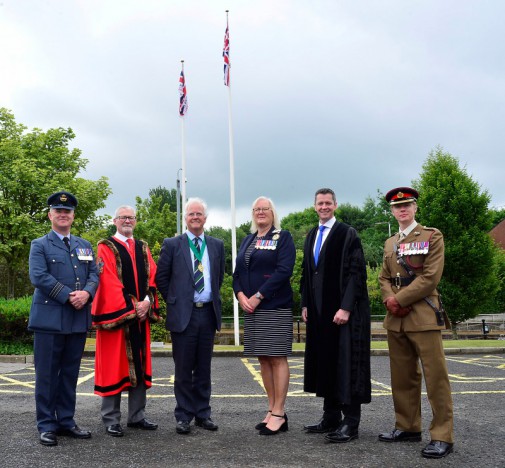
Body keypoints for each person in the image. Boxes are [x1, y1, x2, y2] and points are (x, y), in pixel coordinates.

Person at [378, 187, 454, 459]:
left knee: (436, 378)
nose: (402, 210)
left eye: (407, 205)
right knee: (402, 377)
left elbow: (431, 277)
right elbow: (384, 278)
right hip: (396, 318)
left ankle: (442, 435)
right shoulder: (389, 242)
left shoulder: (432, 236)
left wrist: (400, 299)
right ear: (392, 211)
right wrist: (390, 300)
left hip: (422, 314)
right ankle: (408, 426)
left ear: (415, 208)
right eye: (398, 207)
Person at [301, 188, 371, 443]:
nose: (324, 207)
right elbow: (306, 273)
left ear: (335, 205)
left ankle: (350, 422)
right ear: (314, 206)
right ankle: (330, 416)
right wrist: (306, 303)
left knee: (346, 365)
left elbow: (356, 272)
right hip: (319, 314)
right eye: (320, 203)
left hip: (342, 313)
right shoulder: (311, 236)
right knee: (326, 363)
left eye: (328, 203)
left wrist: (346, 307)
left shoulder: (346, 233)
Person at [28, 191, 98, 446]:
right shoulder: (40, 245)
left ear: (73, 216)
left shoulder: (84, 245)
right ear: (50, 215)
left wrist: (87, 293)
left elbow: (94, 275)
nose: (63, 215)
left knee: (69, 373)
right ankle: (46, 424)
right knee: (46, 375)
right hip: (49, 320)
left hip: (77, 319)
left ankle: (66, 421)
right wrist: (69, 295)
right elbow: (39, 276)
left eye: (67, 212)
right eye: (58, 211)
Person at [156, 197, 225, 435]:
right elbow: (161, 279)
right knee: (183, 369)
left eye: (199, 214)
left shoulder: (216, 245)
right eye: (191, 214)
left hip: (207, 313)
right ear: (185, 218)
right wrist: (176, 301)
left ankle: (203, 414)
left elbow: (219, 278)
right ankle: (183, 415)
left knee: (204, 368)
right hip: (183, 315)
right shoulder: (173, 244)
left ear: (205, 218)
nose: (195, 217)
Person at [92, 205, 162, 437]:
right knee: (114, 367)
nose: (127, 221)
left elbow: (153, 276)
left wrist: (147, 303)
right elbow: (108, 281)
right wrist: (134, 307)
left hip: (140, 319)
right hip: (117, 319)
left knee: (139, 366)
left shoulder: (143, 247)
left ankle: (137, 416)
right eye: (123, 217)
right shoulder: (105, 246)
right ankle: (111, 419)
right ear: (115, 221)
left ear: (136, 221)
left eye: (131, 217)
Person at [233, 196, 296, 436]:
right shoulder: (248, 239)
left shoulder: (283, 237)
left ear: (272, 212)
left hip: (274, 306)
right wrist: (240, 296)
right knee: (263, 359)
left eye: (265, 209)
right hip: (251, 308)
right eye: (256, 209)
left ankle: (279, 412)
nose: (260, 212)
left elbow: (284, 271)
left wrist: (259, 295)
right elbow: (237, 273)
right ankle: (271, 409)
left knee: (277, 358)